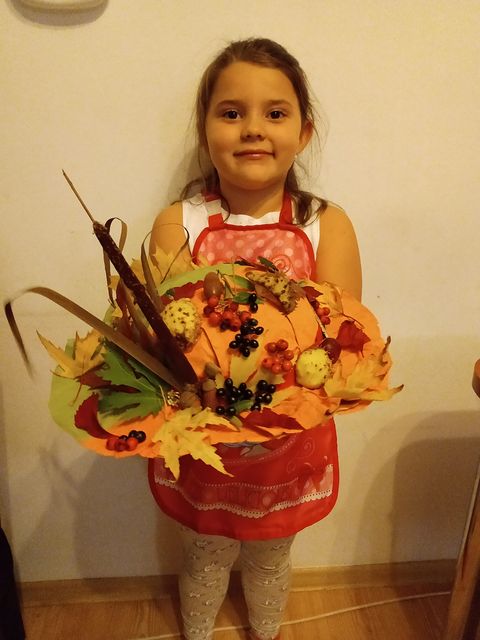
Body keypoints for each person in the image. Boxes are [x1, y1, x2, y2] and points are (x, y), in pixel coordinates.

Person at [148, 38, 361, 640]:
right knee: (204, 552)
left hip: (290, 440)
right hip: (203, 437)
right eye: (231, 112)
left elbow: (345, 338)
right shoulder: (179, 222)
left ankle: (265, 633)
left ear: (304, 131)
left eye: (275, 113)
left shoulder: (325, 224)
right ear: (205, 128)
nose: (253, 129)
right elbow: (162, 342)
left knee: (271, 556)